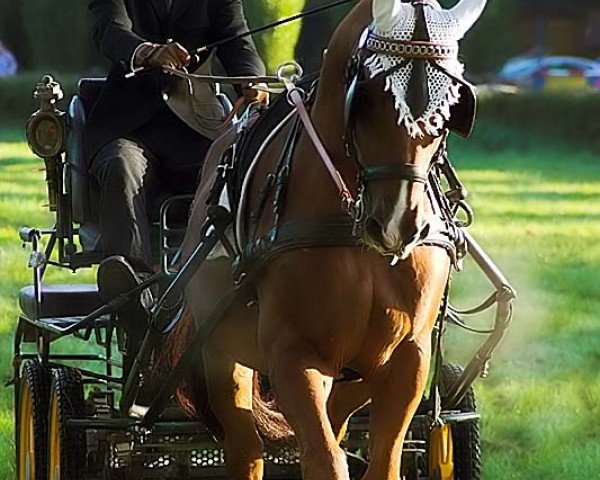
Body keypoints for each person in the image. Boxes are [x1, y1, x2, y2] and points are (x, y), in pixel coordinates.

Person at [85, 0, 267, 327]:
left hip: (198, 127)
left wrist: (252, 80)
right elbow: (110, 30)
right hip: (128, 127)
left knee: (236, 164)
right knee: (121, 166)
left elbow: (237, 39)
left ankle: (235, 275)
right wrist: (147, 52)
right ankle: (132, 291)